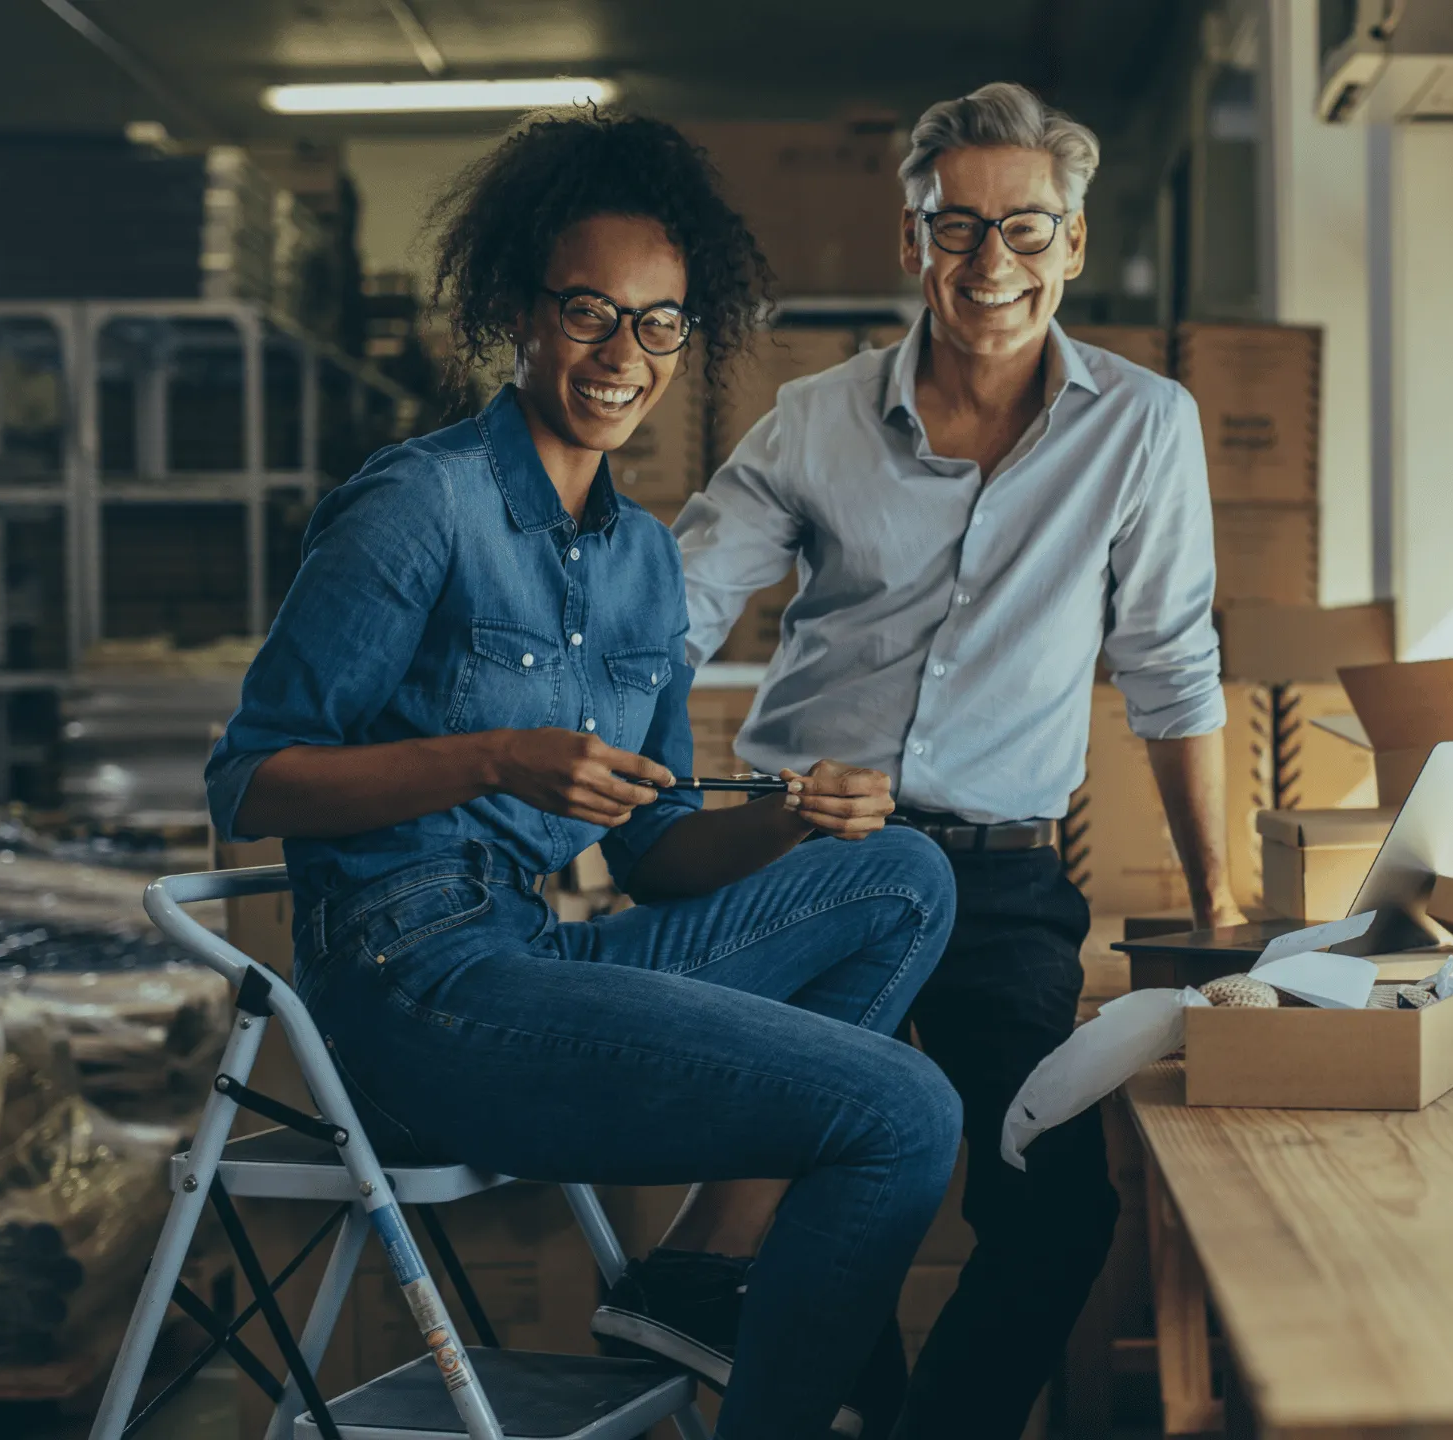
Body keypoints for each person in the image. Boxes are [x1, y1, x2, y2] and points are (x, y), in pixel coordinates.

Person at [204, 110, 961, 1440]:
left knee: (899, 874)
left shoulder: (644, 564)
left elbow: (659, 846)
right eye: (590, 313)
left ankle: (695, 1272)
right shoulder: (417, 505)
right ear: (518, 309)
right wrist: (495, 760)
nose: (625, 356)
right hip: (409, 993)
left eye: (660, 323)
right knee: (902, 1111)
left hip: (540, 957)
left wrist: (788, 818)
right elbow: (253, 783)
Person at [675, 82, 1236, 1440]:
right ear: (911, 240)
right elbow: (675, 609)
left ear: (1076, 243)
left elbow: (1169, 662)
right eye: (959, 228)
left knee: (1053, 1204)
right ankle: (834, 1414)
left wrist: (1218, 899)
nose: (994, 266)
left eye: (1027, 230)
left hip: (1002, 877)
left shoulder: (1143, 426)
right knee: (832, 1183)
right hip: (816, 860)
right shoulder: (814, 421)